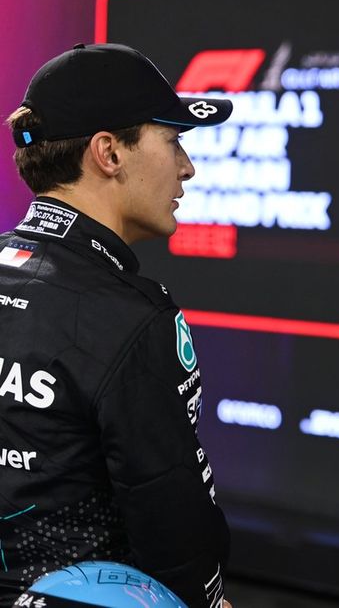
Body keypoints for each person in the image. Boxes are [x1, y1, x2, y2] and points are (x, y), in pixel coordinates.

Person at [0, 43, 234, 607]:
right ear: (109, 153)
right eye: (173, 140)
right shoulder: (129, 316)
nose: (187, 167)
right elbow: (170, 516)